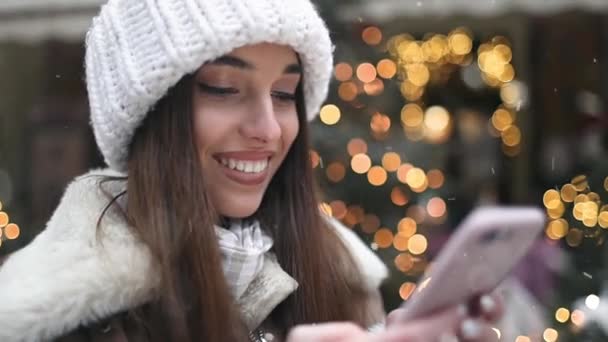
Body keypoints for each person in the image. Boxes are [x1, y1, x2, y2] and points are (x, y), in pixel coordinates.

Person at [0, 0, 502, 341]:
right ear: (150, 116)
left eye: (285, 95)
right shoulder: (49, 315)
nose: (268, 128)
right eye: (223, 87)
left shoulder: (342, 276)